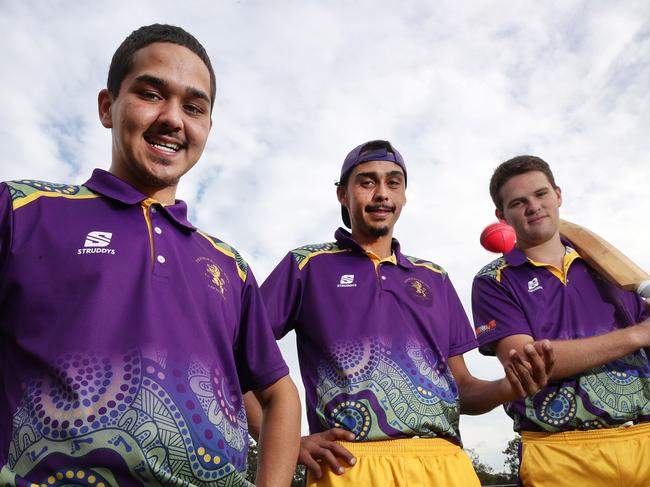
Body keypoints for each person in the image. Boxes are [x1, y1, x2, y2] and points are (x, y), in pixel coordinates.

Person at [0, 24, 300, 487]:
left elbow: (279, 393)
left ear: (207, 128)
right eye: (151, 94)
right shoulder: (21, 210)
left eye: (193, 107)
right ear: (108, 106)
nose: (173, 119)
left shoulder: (228, 264)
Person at [247, 140, 554, 486]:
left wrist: (510, 387)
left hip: (446, 465)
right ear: (342, 195)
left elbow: (462, 389)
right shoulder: (306, 265)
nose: (382, 193)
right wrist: (287, 442)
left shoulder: (434, 277)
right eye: (367, 182)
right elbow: (236, 354)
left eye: (393, 182)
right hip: (350, 466)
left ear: (404, 195)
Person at [472, 155, 650, 486]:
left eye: (541, 194)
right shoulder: (494, 280)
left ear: (558, 195)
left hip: (644, 439)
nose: (534, 207)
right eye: (519, 202)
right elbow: (533, 367)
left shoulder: (611, 267)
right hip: (559, 453)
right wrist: (637, 336)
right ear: (502, 216)